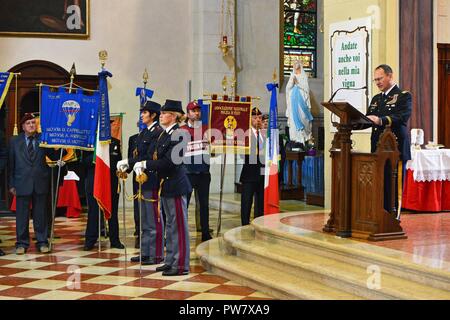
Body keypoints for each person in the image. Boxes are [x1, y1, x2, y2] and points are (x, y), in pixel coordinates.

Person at [133, 100, 192, 276]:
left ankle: (180, 264)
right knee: (171, 226)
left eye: (165, 113)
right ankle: (171, 260)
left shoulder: (180, 134)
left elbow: (170, 162)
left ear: (173, 116)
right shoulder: (164, 134)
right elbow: (157, 156)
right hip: (165, 185)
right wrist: (141, 163)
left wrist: (145, 164)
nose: (161, 115)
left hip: (176, 185)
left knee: (179, 226)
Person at [117, 101, 165, 265]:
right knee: (144, 219)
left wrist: (129, 162)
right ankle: (146, 251)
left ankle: (156, 254)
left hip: (152, 180)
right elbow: (138, 154)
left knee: (153, 220)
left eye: (145, 113)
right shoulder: (144, 133)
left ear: (153, 115)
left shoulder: (158, 133)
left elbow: (150, 156)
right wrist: (128, 164)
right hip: (141, 181)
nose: (142, 115)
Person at [8, 113, 62, 254]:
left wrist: (61, 143)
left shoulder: (42, 139)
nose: (31, 125)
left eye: (33, 122)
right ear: (23, 126)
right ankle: (21, 243)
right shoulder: (14, 141)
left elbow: (54, 156)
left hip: (40, 182)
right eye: (28, 123)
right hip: (21, 182)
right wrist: (12, 184)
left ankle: (42, 241)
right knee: (22, 216)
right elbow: (10, 165)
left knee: (40, 215)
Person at [367, 64, 412, 211]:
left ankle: (393, 219)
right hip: (378, 149)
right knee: (380, 185)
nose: (378, 82)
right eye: (375, 80)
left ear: (390, 76)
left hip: (395, 149)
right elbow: (369, 119)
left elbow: (402, 117)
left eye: (380, 78)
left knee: (394, 186)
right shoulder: (376, 99)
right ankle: (381, 216)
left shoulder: (403, 96)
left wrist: (381, 120)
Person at [83, 132, 124, 251]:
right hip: (95, 182)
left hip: (111, 182)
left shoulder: (115, 142)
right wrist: (96, 158)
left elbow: (118, 162)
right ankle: (90, 240)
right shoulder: (89, 142)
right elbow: (83, 163)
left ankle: (115, 240)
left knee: (113, 212)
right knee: (93, 212)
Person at [180, 101, 212, 242]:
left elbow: (214, 151)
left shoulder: (207, 129)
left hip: (204, 173)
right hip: (187, 173)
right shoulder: (181, 130)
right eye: (193, 111)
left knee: (204, 204)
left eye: (198, 110)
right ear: (188, 114)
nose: (197, 113)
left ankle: (205, 232)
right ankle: (182, 232)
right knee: (184, 205)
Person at [240, 107, 265, 226]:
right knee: (246, 201)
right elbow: (242, 154)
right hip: (249, 173)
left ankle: (259, 223)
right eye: (255, 118)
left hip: (262, 173)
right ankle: (245, 224)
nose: (258, 120)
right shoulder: (245, 134)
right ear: (250, 119)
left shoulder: (264, 134)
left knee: (260, 202)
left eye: (260, 118)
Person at [286, 60, 314, 146]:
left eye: (296, 65)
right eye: (294, 66)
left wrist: (298, 83)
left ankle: (305, 138)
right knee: (294, 121)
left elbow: (306, 89)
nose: (295, 67)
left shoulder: (303, 76)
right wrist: (292, 82)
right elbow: (287, 88)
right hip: (293, 100)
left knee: (303, 117)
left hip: (302, 100)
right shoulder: (292, 75)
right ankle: (295, 139)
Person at [127, 123, 140, 248]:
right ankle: (138, 230)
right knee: (137, 205)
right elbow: (130, 158)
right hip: (137, 176)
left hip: (151, 174)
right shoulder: (133, 139)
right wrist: (125, 171)